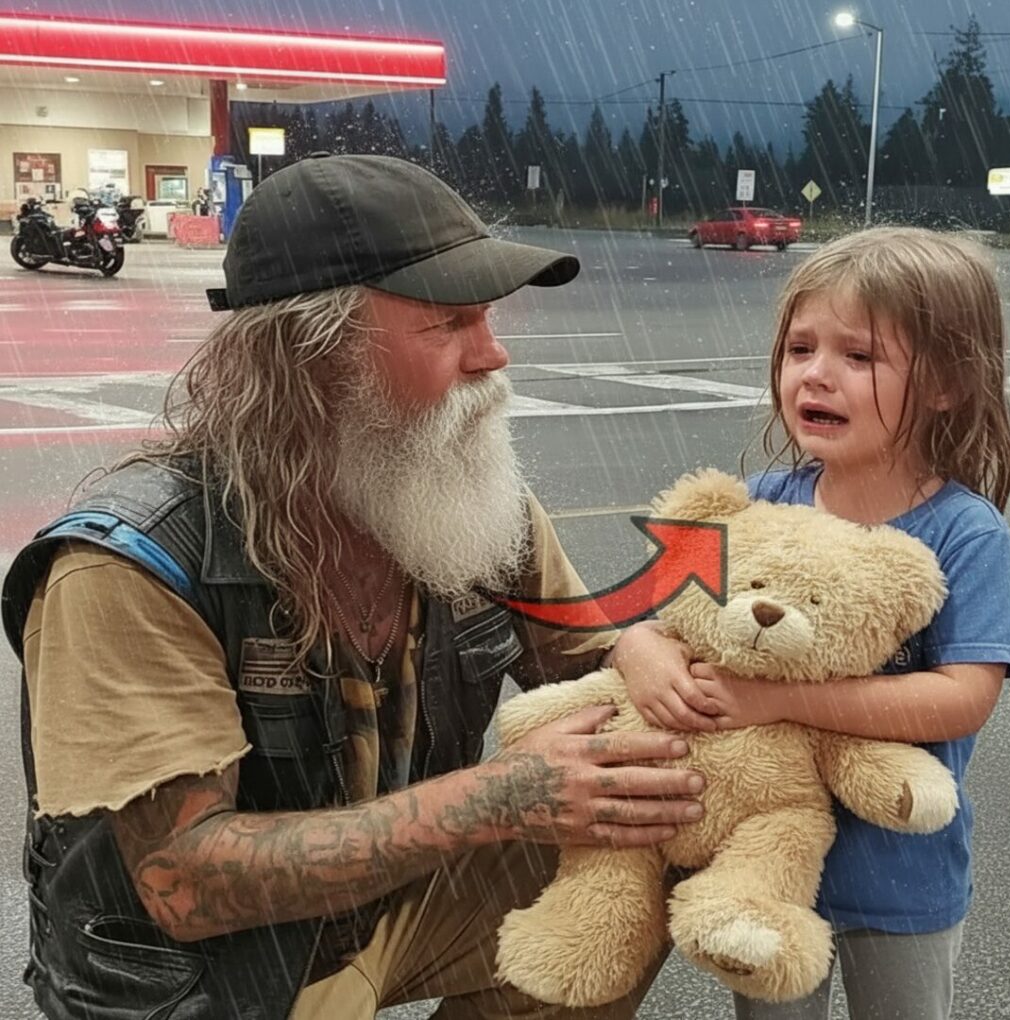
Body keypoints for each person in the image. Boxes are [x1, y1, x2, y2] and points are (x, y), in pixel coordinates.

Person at [2, 154, 706, 1020]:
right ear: (310, 358)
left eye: (488, 317)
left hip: (382, 904)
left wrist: (638, 648)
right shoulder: (126, 564)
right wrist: (497, 797)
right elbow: (183, 884)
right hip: (209, 981)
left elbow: (591, 661)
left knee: (651, 832)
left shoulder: (469, 503)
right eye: (449, 323)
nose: (493, 354)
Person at [620, 226, 1010, 1019]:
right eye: (801, 348)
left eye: (859, 356)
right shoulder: (764, 497)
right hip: (762, 864)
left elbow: (960, 699)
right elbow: (656, 612)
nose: (816, 374)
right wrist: (639, 650)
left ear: (945, 383)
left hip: (901, 875)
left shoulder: (965, 533)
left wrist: (779, 701)